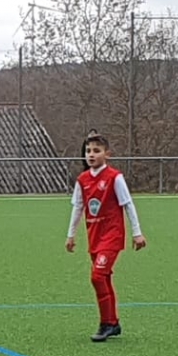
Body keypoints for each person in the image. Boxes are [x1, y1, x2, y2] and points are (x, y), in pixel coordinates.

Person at [66, 135, 146, 342]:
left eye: (96, 151)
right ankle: (113, 322)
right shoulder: (82, 180)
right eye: (88, 151)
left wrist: (137, 233)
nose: (91, 155)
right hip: (94, 236)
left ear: (106, 154)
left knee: (97, 276)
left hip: (112, 235)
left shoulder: (114, 177)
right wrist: (71, 235)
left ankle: (106, 323)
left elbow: (128, 204)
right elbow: (78, 207)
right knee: (105, 278)